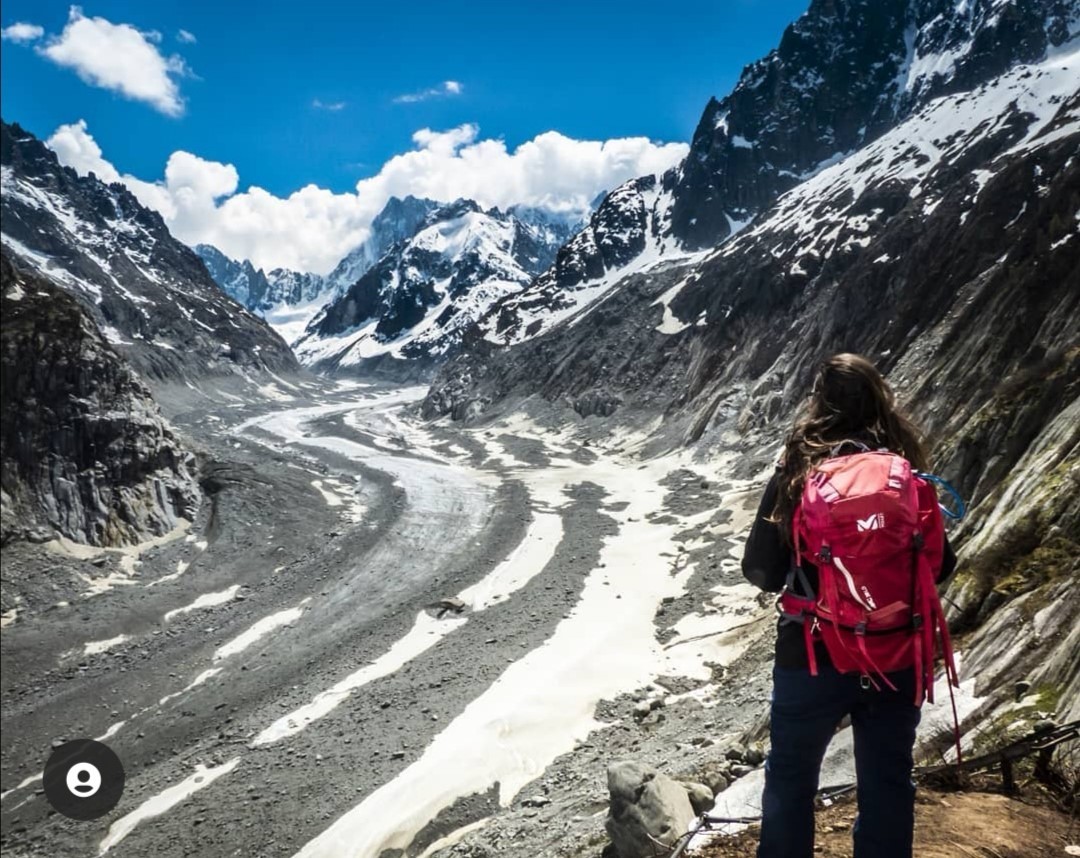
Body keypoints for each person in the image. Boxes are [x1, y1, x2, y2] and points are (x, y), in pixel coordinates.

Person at [741, 353, 956, 858]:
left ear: (819, 403)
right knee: (887, 780)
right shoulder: (902, 471)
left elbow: (760, 570)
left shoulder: (798, 469)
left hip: (813, 653)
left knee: (791, 778)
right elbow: (941, 565)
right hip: (895, 654)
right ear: (880, 399)